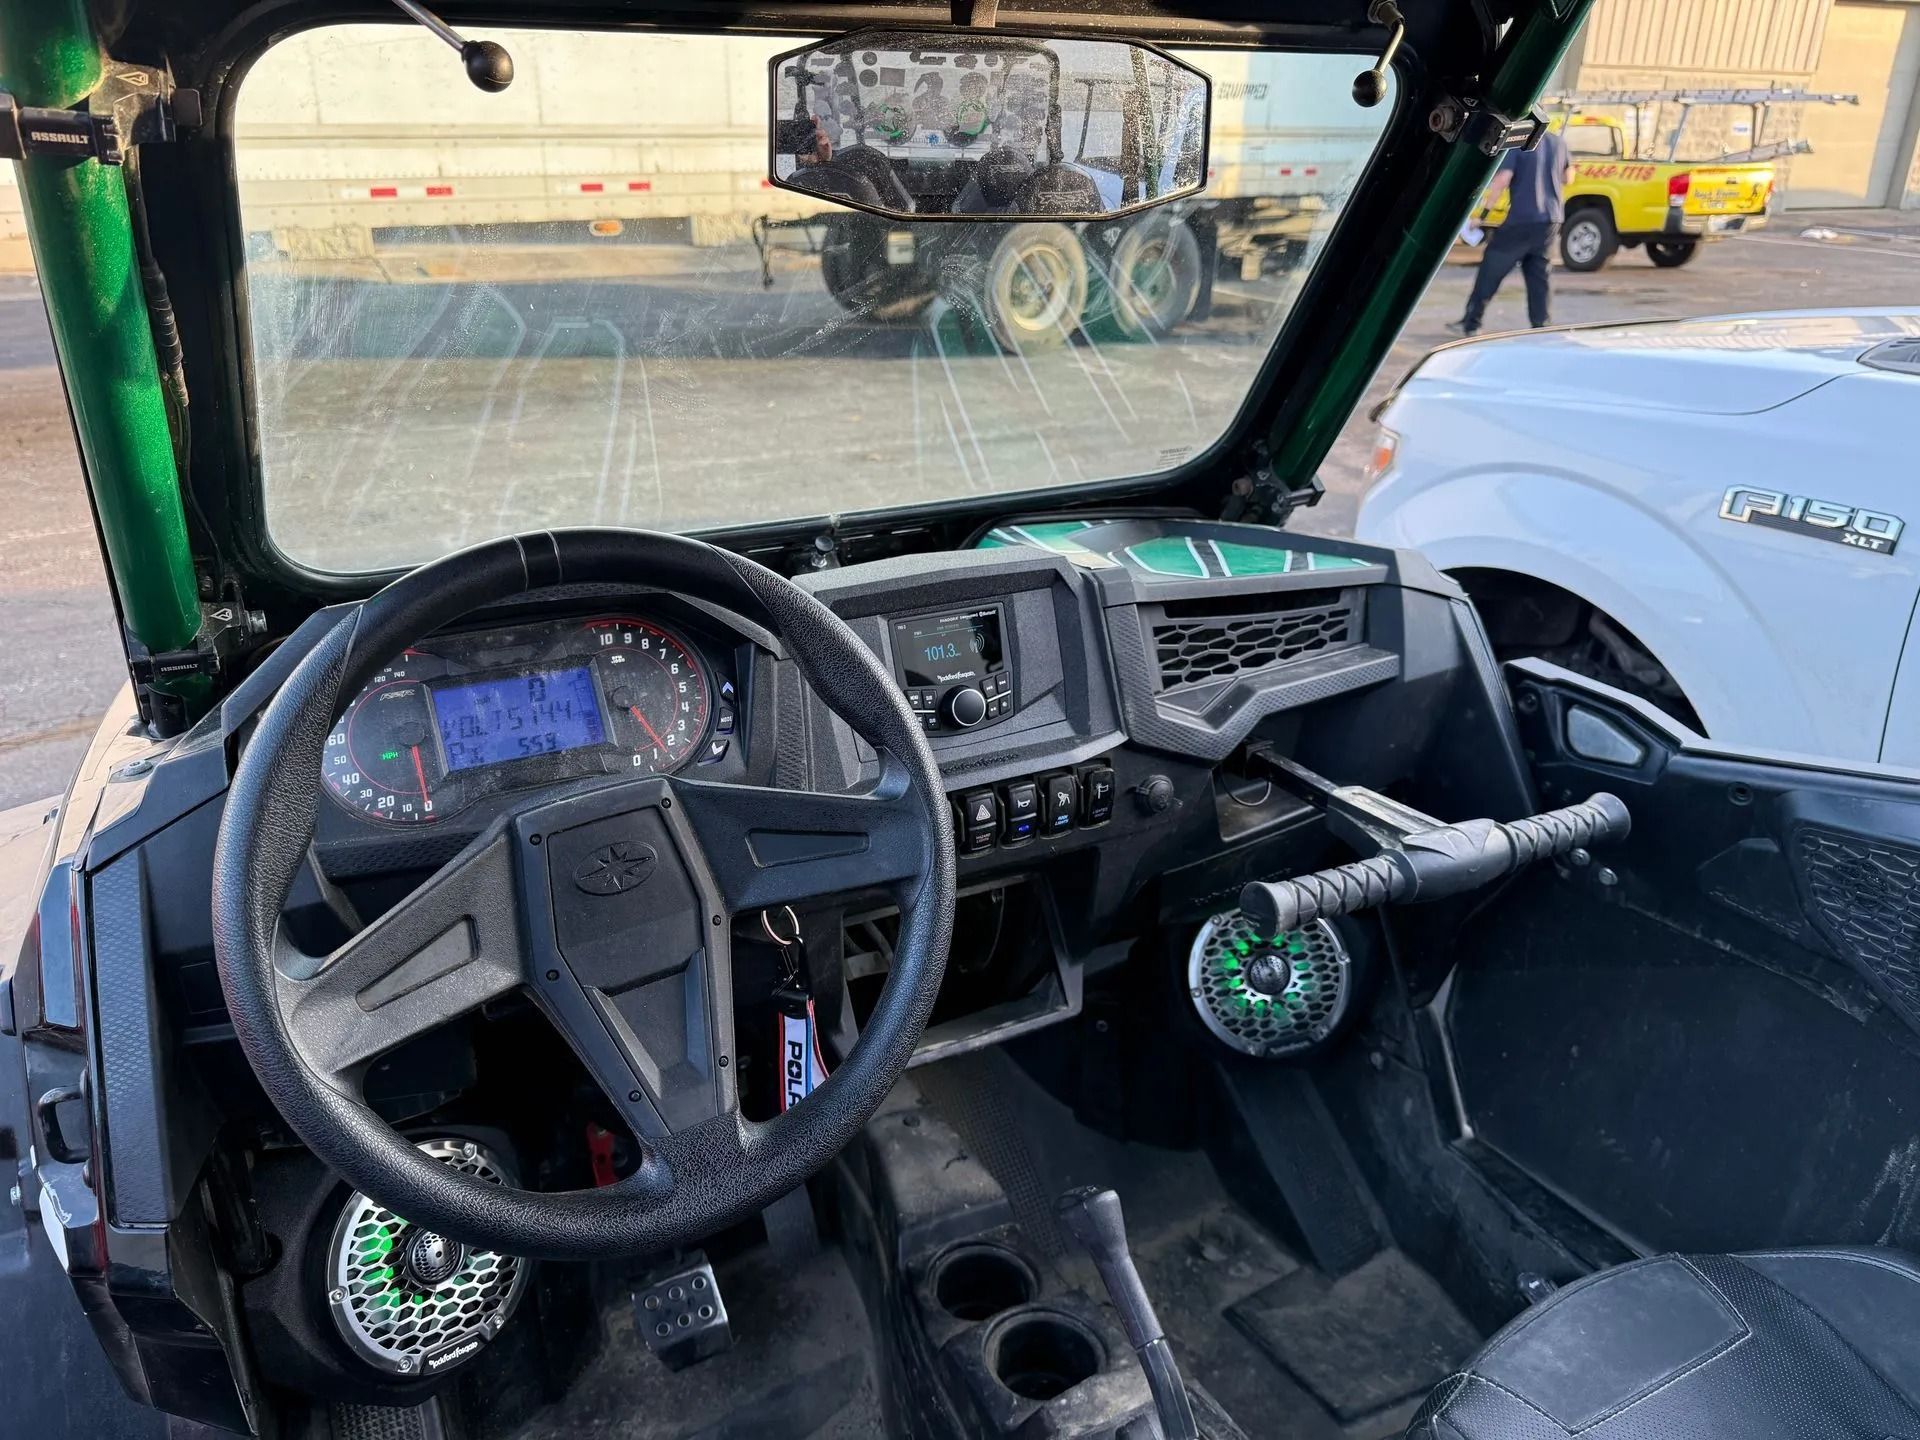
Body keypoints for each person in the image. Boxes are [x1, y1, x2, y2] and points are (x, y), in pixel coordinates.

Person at [1451, 127, 1573, 335]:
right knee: (1538, 274)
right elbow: (1568, 177)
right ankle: (1541, 325)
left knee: (1491, 267)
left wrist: (1483, 216)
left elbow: (1503, 179)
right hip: (1550, 221)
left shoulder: (1519, 144)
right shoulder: (1558, 142)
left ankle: (1471, 323)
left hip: (1521, 219)